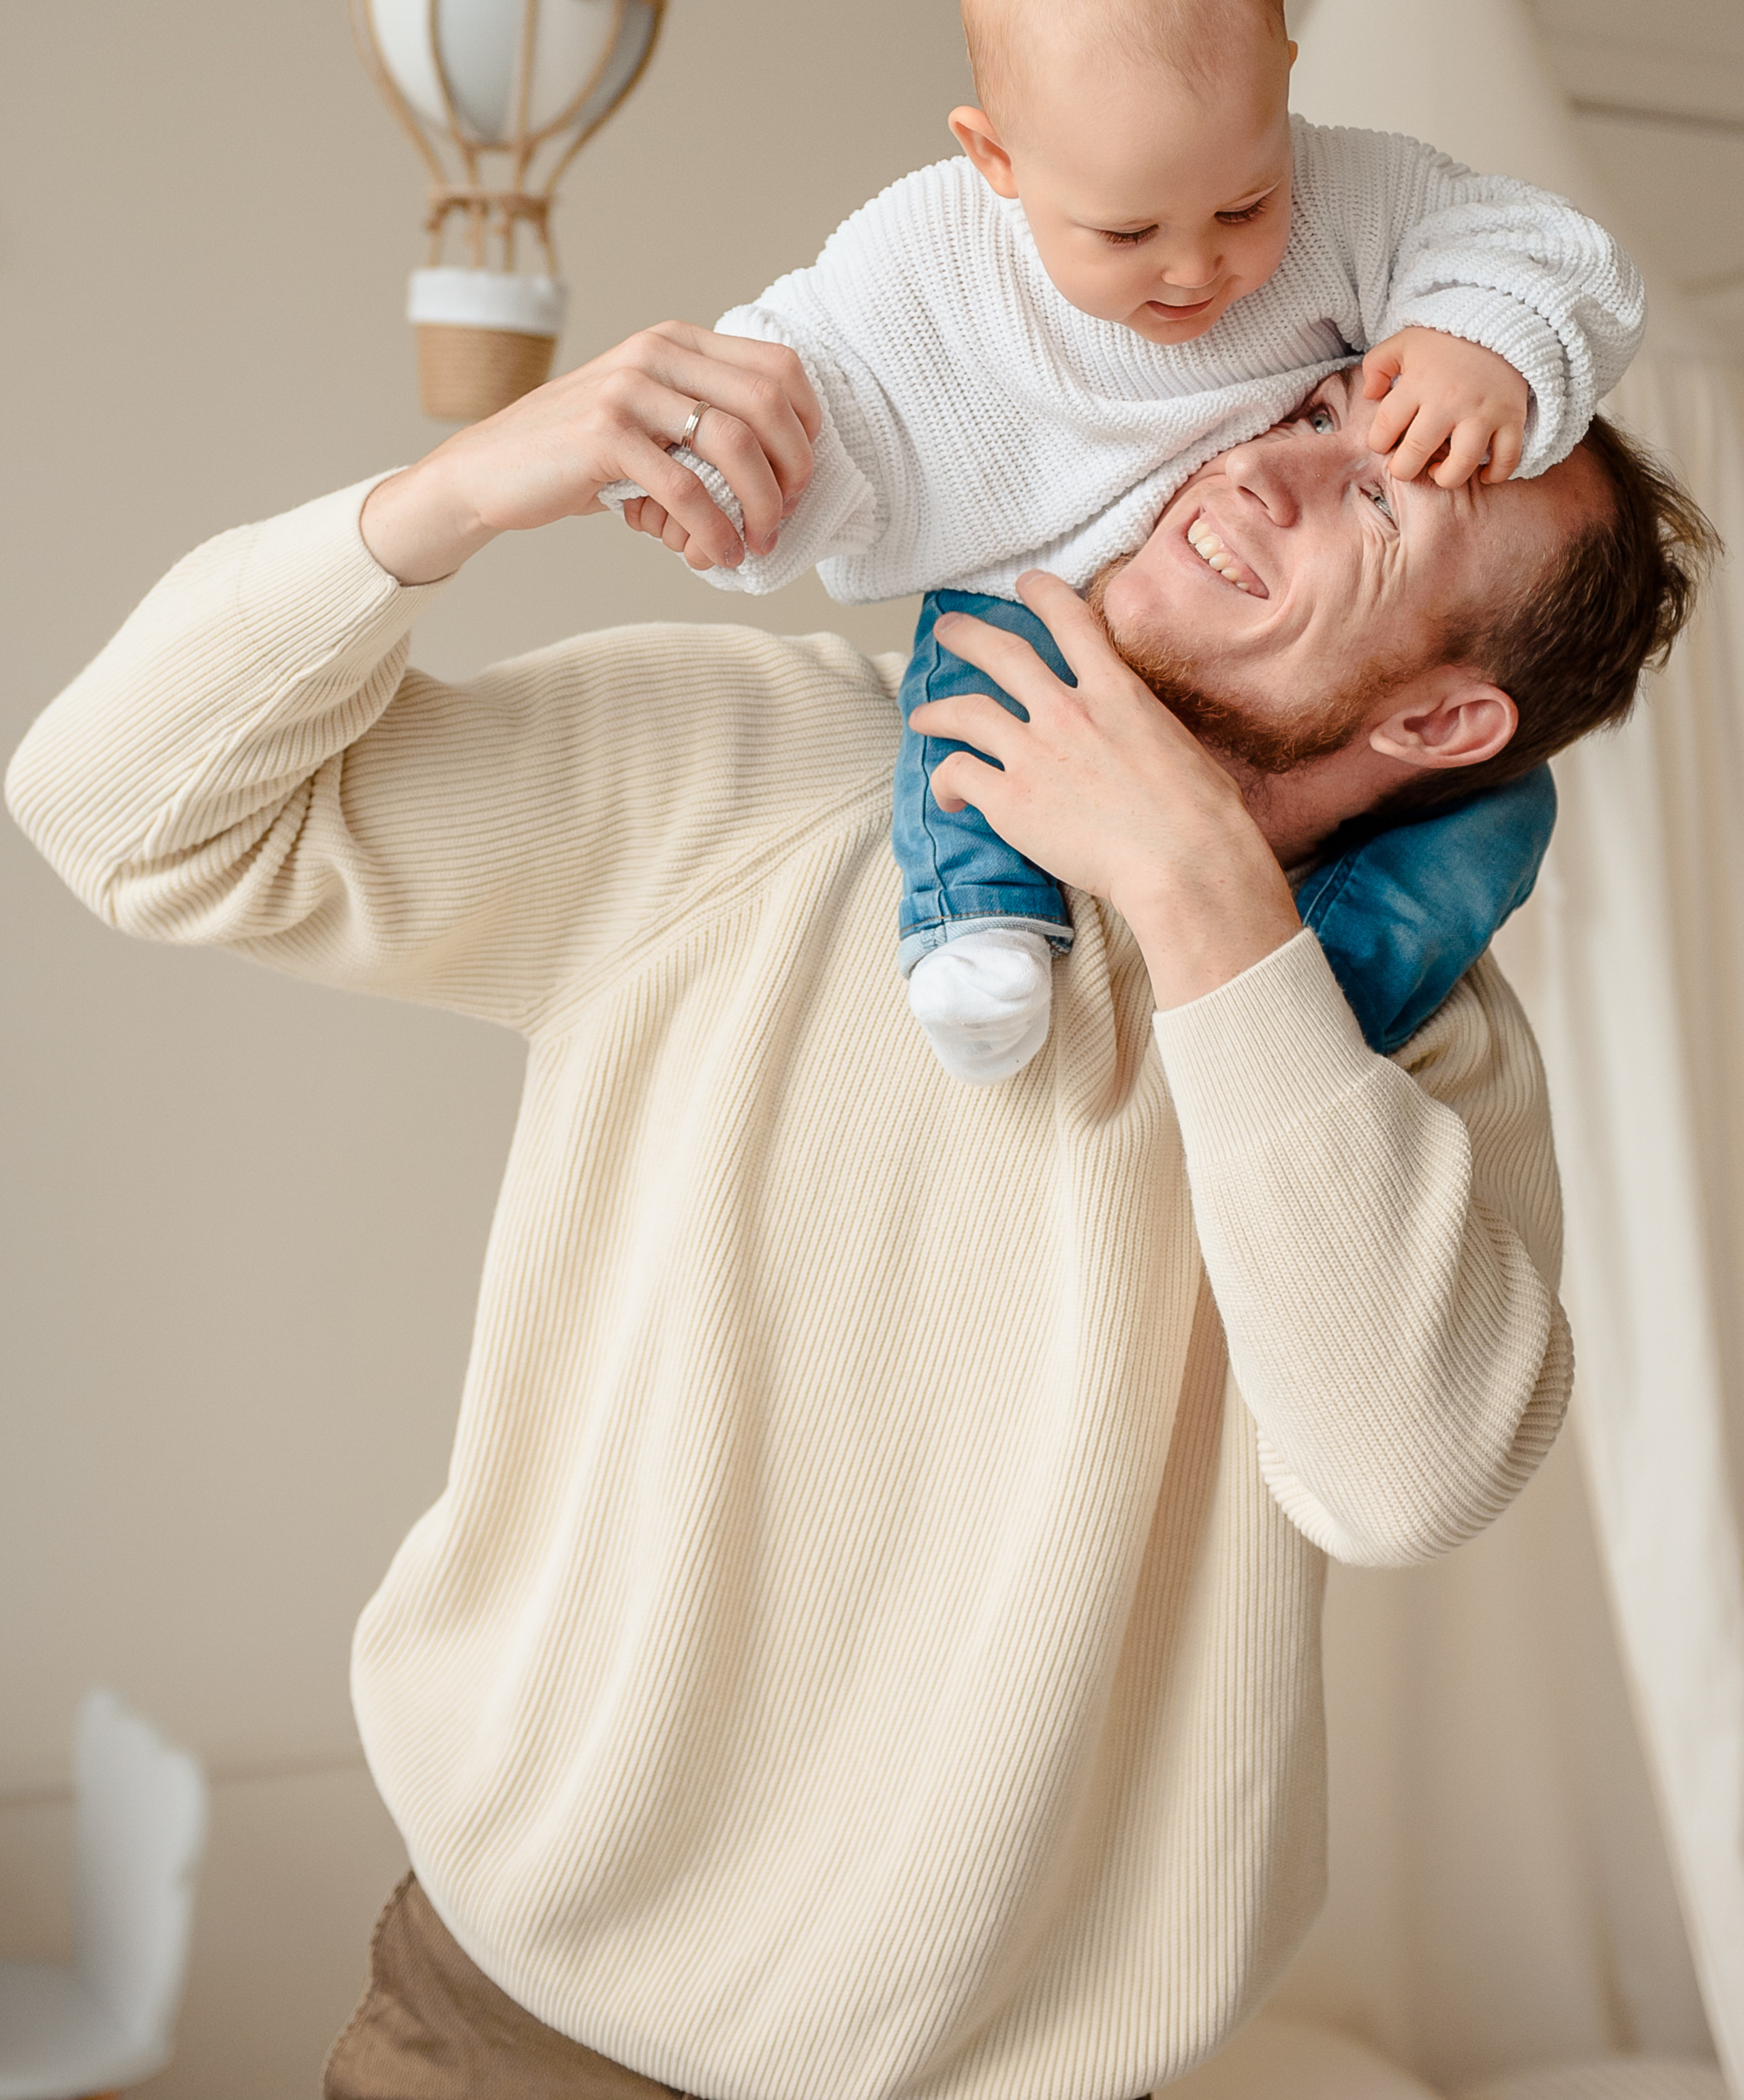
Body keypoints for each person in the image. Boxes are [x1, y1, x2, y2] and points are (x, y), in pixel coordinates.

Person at [6, 339, 1712, 2100]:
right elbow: (120, 810)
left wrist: (1202, 898)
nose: (1259, 472)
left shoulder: (1419, 1056)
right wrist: (451, 497)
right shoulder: (765, 766)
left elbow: (1409, 1475)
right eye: (1310, 412)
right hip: (517, 2032)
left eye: (1373, 498)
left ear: (1440, 724)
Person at [608, 0, 1646, 1082]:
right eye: (1128, 232)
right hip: (1037, 588)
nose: (1197, 270)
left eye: (1246, 206)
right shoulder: (931, 267)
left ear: (1284, 94)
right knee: (981, 684)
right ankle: (973, 928)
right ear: (995, 158)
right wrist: (718, 479)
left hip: (1296, 1060)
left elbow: (1529, 246)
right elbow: (807, 375)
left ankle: (1316, 1015)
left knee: (1507, 813)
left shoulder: (1351, 198)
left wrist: (1486, 337)